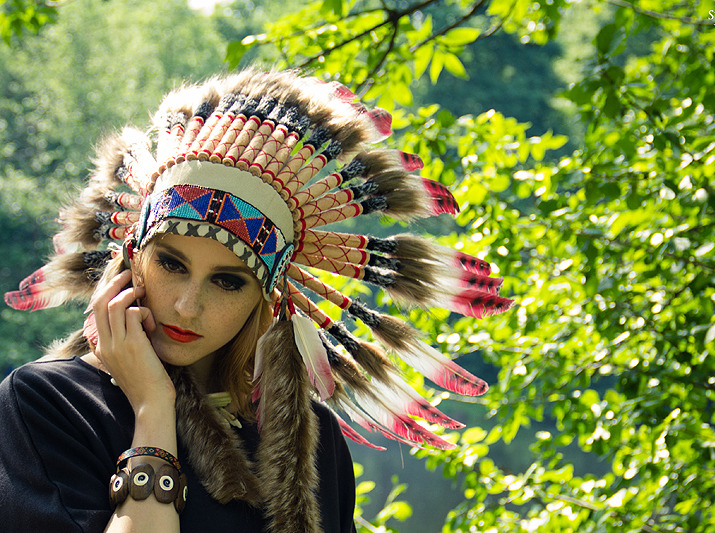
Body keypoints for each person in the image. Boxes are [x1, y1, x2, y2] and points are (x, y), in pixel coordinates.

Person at [0, 68, 512, 532]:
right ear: (132, 259)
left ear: (266, 300)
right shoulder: (47, 404)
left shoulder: (310, 440)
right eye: (172, 265)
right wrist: (153, 409)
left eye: (228, 281)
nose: (185, 306)